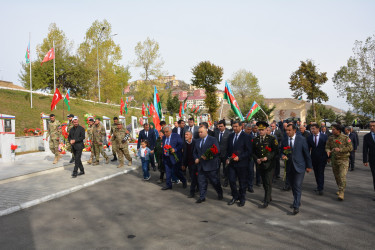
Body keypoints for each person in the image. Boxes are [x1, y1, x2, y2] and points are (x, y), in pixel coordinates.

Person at [281, 124, 312, 215]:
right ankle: (297, 200)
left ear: (294, 130)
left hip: (300, 166)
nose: (287, 132)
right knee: (293, 185)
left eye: (289, 130)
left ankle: (296, 206)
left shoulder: (301, 139)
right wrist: (282, 155)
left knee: (297, 185)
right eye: (286, 130)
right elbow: (281, 150)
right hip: (289, 166)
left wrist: (309, 166)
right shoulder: (285, 139)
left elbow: (306, 153)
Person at [193, 126, 223, 203]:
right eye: (199, 132)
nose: (199, 134)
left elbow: (217, 151)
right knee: (201, 182)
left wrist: (208, 156)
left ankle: (219, 192)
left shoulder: (213, 139)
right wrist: (196, 158)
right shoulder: (197, 141)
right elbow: (195, 152)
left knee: (214, 181)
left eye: (201, 132)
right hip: (200, 165)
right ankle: (202, 196)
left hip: (210, 165)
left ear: (206, 131)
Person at [252, 121, 279, 208]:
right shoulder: (255, 140)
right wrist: (257, 159)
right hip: (260, 164)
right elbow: (252, 152)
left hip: (269, 164)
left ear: (266, 130)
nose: (261, 131)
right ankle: (269, 196)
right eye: (259, 130)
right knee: (264, 182)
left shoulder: (271, 139)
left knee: (268, 182)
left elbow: (275, 151)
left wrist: (267, 157)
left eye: (262, 130)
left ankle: (266, 200)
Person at [226, 121, 251, 207]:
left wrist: (240, 157)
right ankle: (234, 196)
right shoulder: (231, 136)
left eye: (236, 126)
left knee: (242, 182)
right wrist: (227, 158)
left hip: (242, 164)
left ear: (241, 126)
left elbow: (249, 151)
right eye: (233, 126)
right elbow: (228, 149)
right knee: (232, 180)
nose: (235, 128)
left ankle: (242, 198)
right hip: (232, 163)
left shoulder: (246, 137)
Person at [325, 124, 353, 201]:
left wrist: (340, 149)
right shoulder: (331, 138)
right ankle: (340, 188)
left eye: (333, 129)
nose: (332, 130)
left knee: (342, 176)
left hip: (343, 160)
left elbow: (350, 148)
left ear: (338, 130)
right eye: (332, 129)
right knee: (337, 176)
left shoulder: (345, 138)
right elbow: (327, 146)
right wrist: (328, 151)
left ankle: (341, 192)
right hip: (334, 160)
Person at [161, 126, 187, 190]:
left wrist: (175, 149)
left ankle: (183, 180)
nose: (165, 133)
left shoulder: (176, 136)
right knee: (167, 171)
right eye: (164, 132)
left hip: (174, 157)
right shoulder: (164, 137)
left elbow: (181, 144)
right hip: (166, 157)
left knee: (176, 172)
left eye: (167, 132)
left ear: (170, 131)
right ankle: (168, 185)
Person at [307, 124, 328, 195]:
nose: (312, 130)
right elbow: (308, 148)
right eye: (311, 129)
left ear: (318, 129)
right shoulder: (309, 137)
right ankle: (318, 185)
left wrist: (329, 157)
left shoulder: (324, 136)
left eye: (313, 129)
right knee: (316, 173)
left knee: (321, 172)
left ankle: (320, 188)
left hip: (322, 158)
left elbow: (328, 147)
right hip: (314, 158)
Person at [182, 131, 199, 198]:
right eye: (185, 134)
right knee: (193, 177)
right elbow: (184, 155)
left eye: (187, 134)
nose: (185, 136)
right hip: (189, 164)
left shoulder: (195, 142)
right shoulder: (184, 143)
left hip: (196, 163)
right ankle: (194, 190)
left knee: (195, 177)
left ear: (191, 136)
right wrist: (183, 164)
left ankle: (194, 191)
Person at [215, 120, 231, 186]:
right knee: (216, 169)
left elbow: (230, 145)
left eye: (221, 126)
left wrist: (229, 156)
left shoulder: (229, 133)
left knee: (226, 169)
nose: (220, 127)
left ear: (225, 126)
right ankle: (217, 181)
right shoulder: (216, 132)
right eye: (219, 126)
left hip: (225, 154)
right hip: (217, 154)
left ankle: (226, 181)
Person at [363, 121, 375, 201]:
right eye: (370, 126)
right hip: (372, 160)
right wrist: (365, 160)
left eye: (373, 126)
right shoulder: (367, 136)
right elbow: (365, 149)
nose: (372, 127)